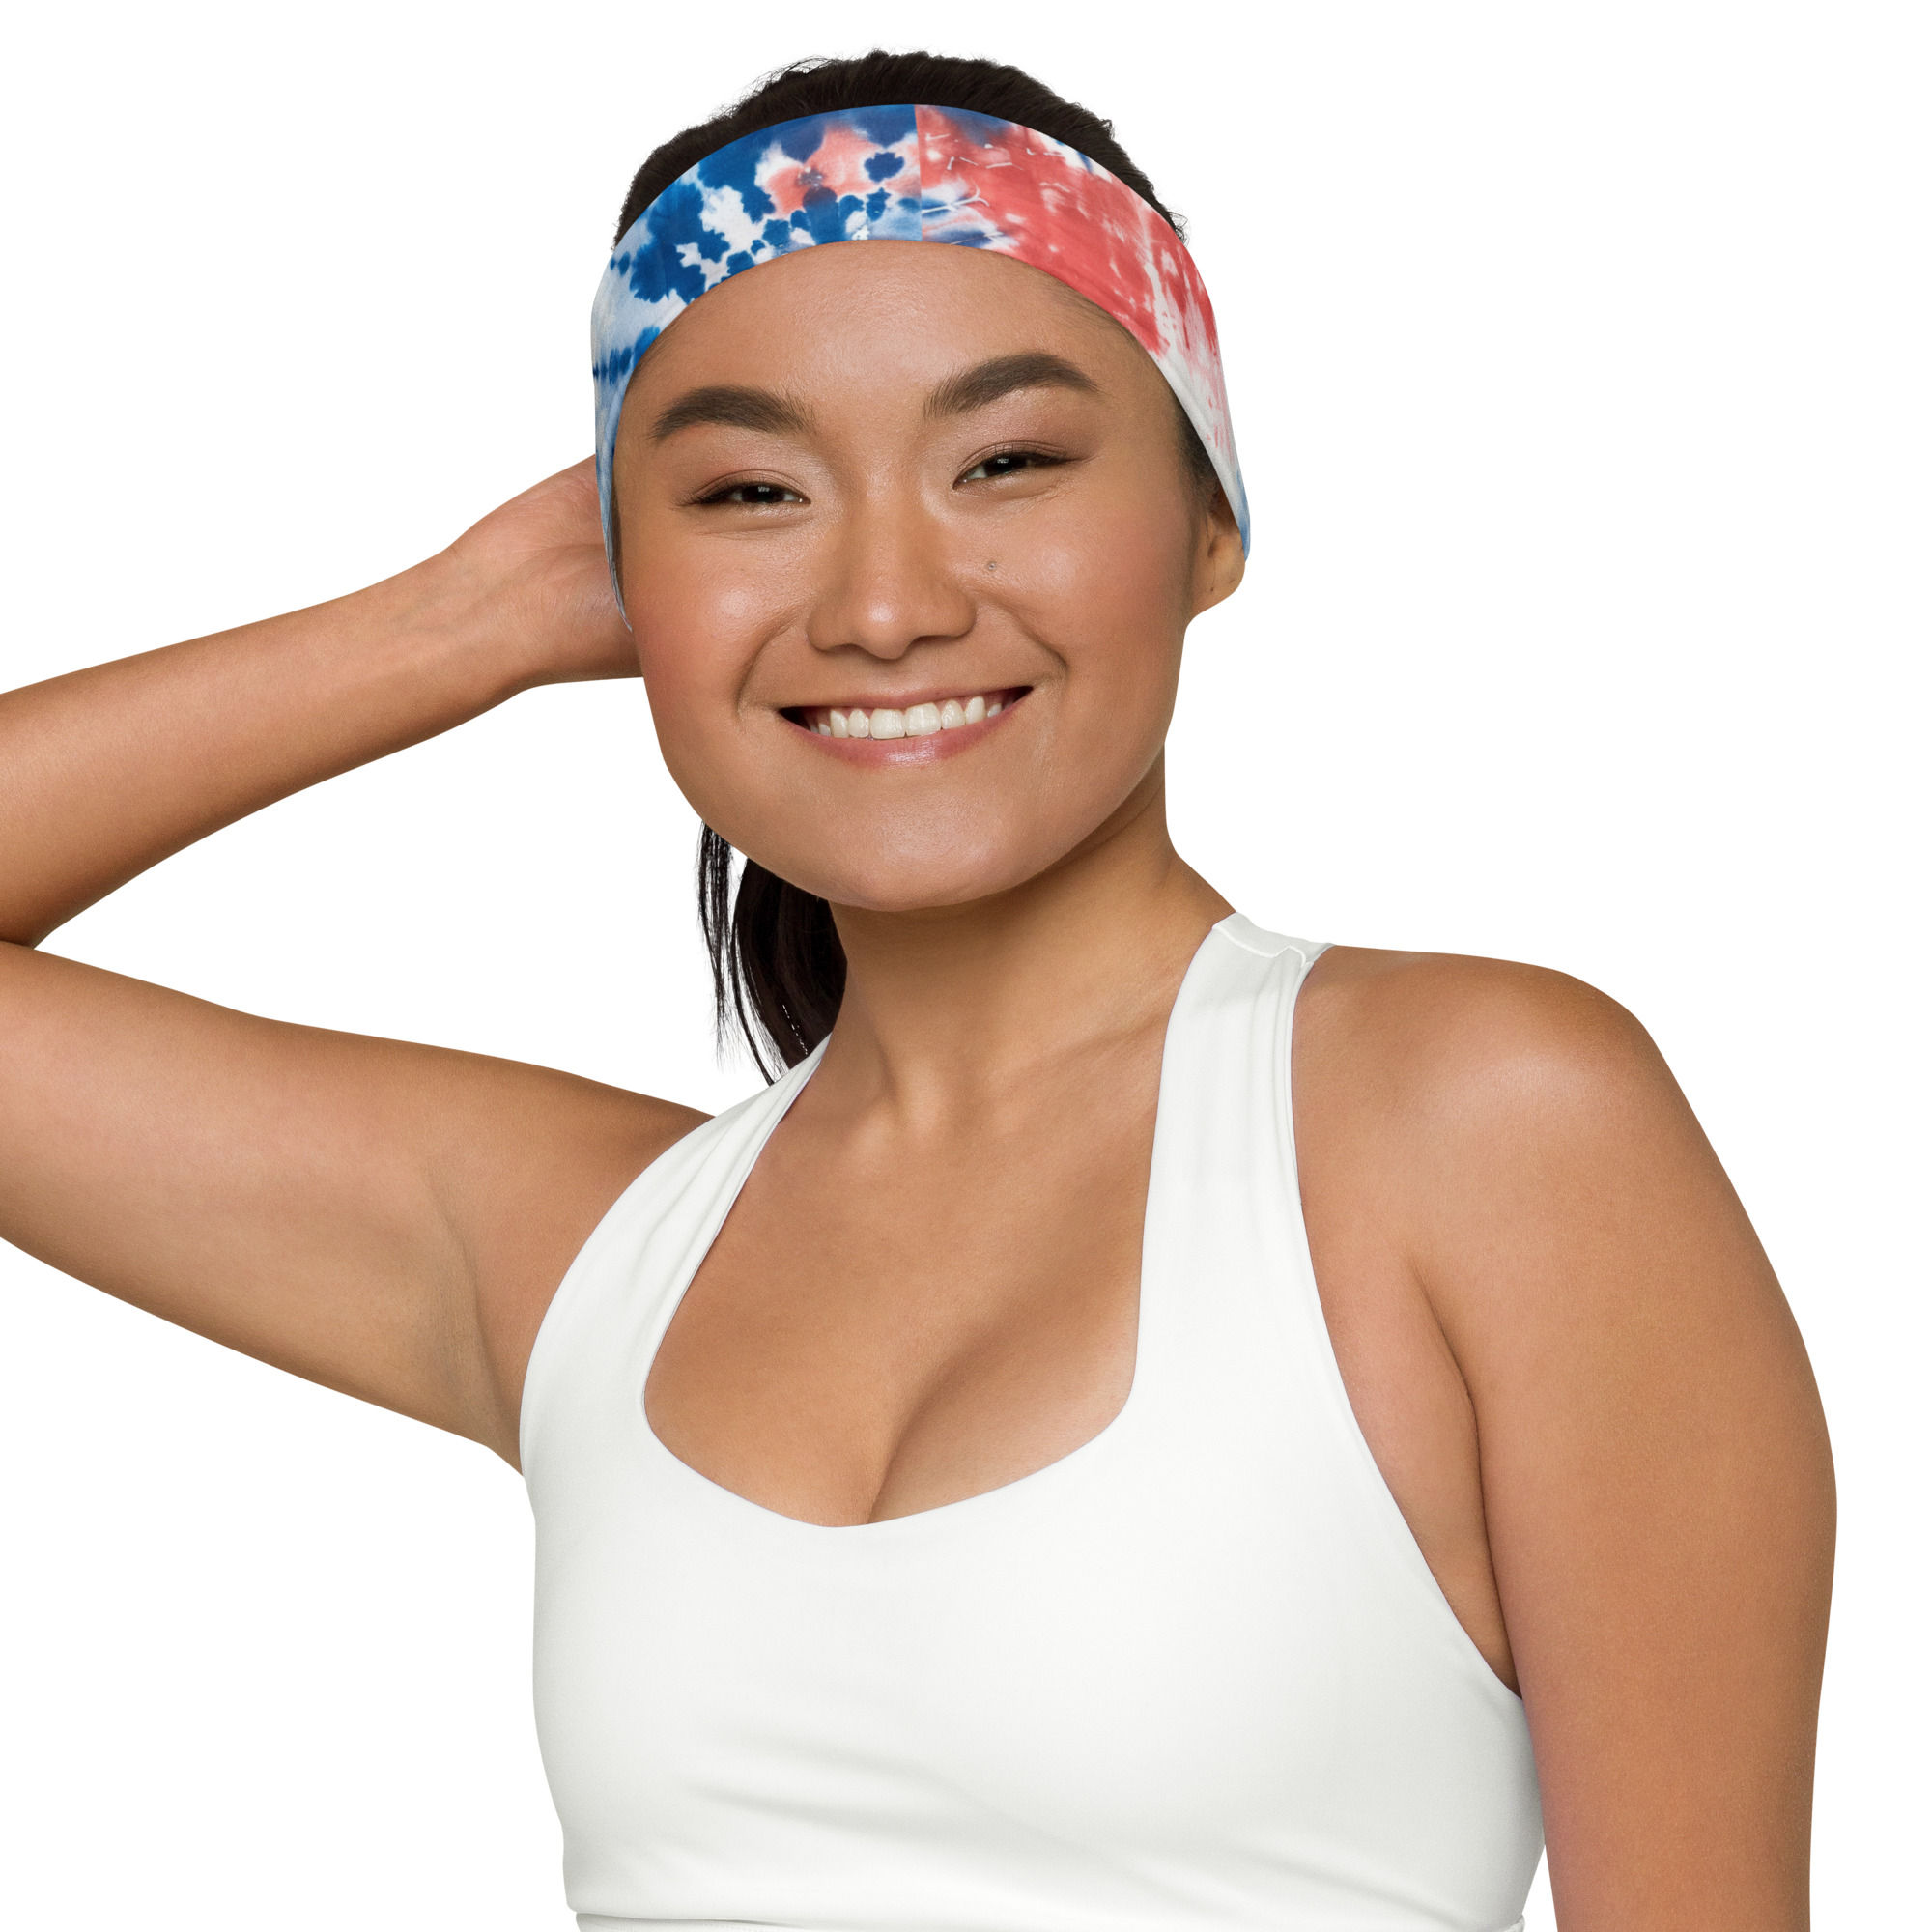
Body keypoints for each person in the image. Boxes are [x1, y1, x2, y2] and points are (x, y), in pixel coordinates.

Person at [0, 47, 1833, 1932]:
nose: (883, 600)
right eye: (751, 490)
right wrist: (449, 622)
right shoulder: (588, 1257)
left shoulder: (1482, 1121)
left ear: (1209, 526)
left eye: (1008, 461)